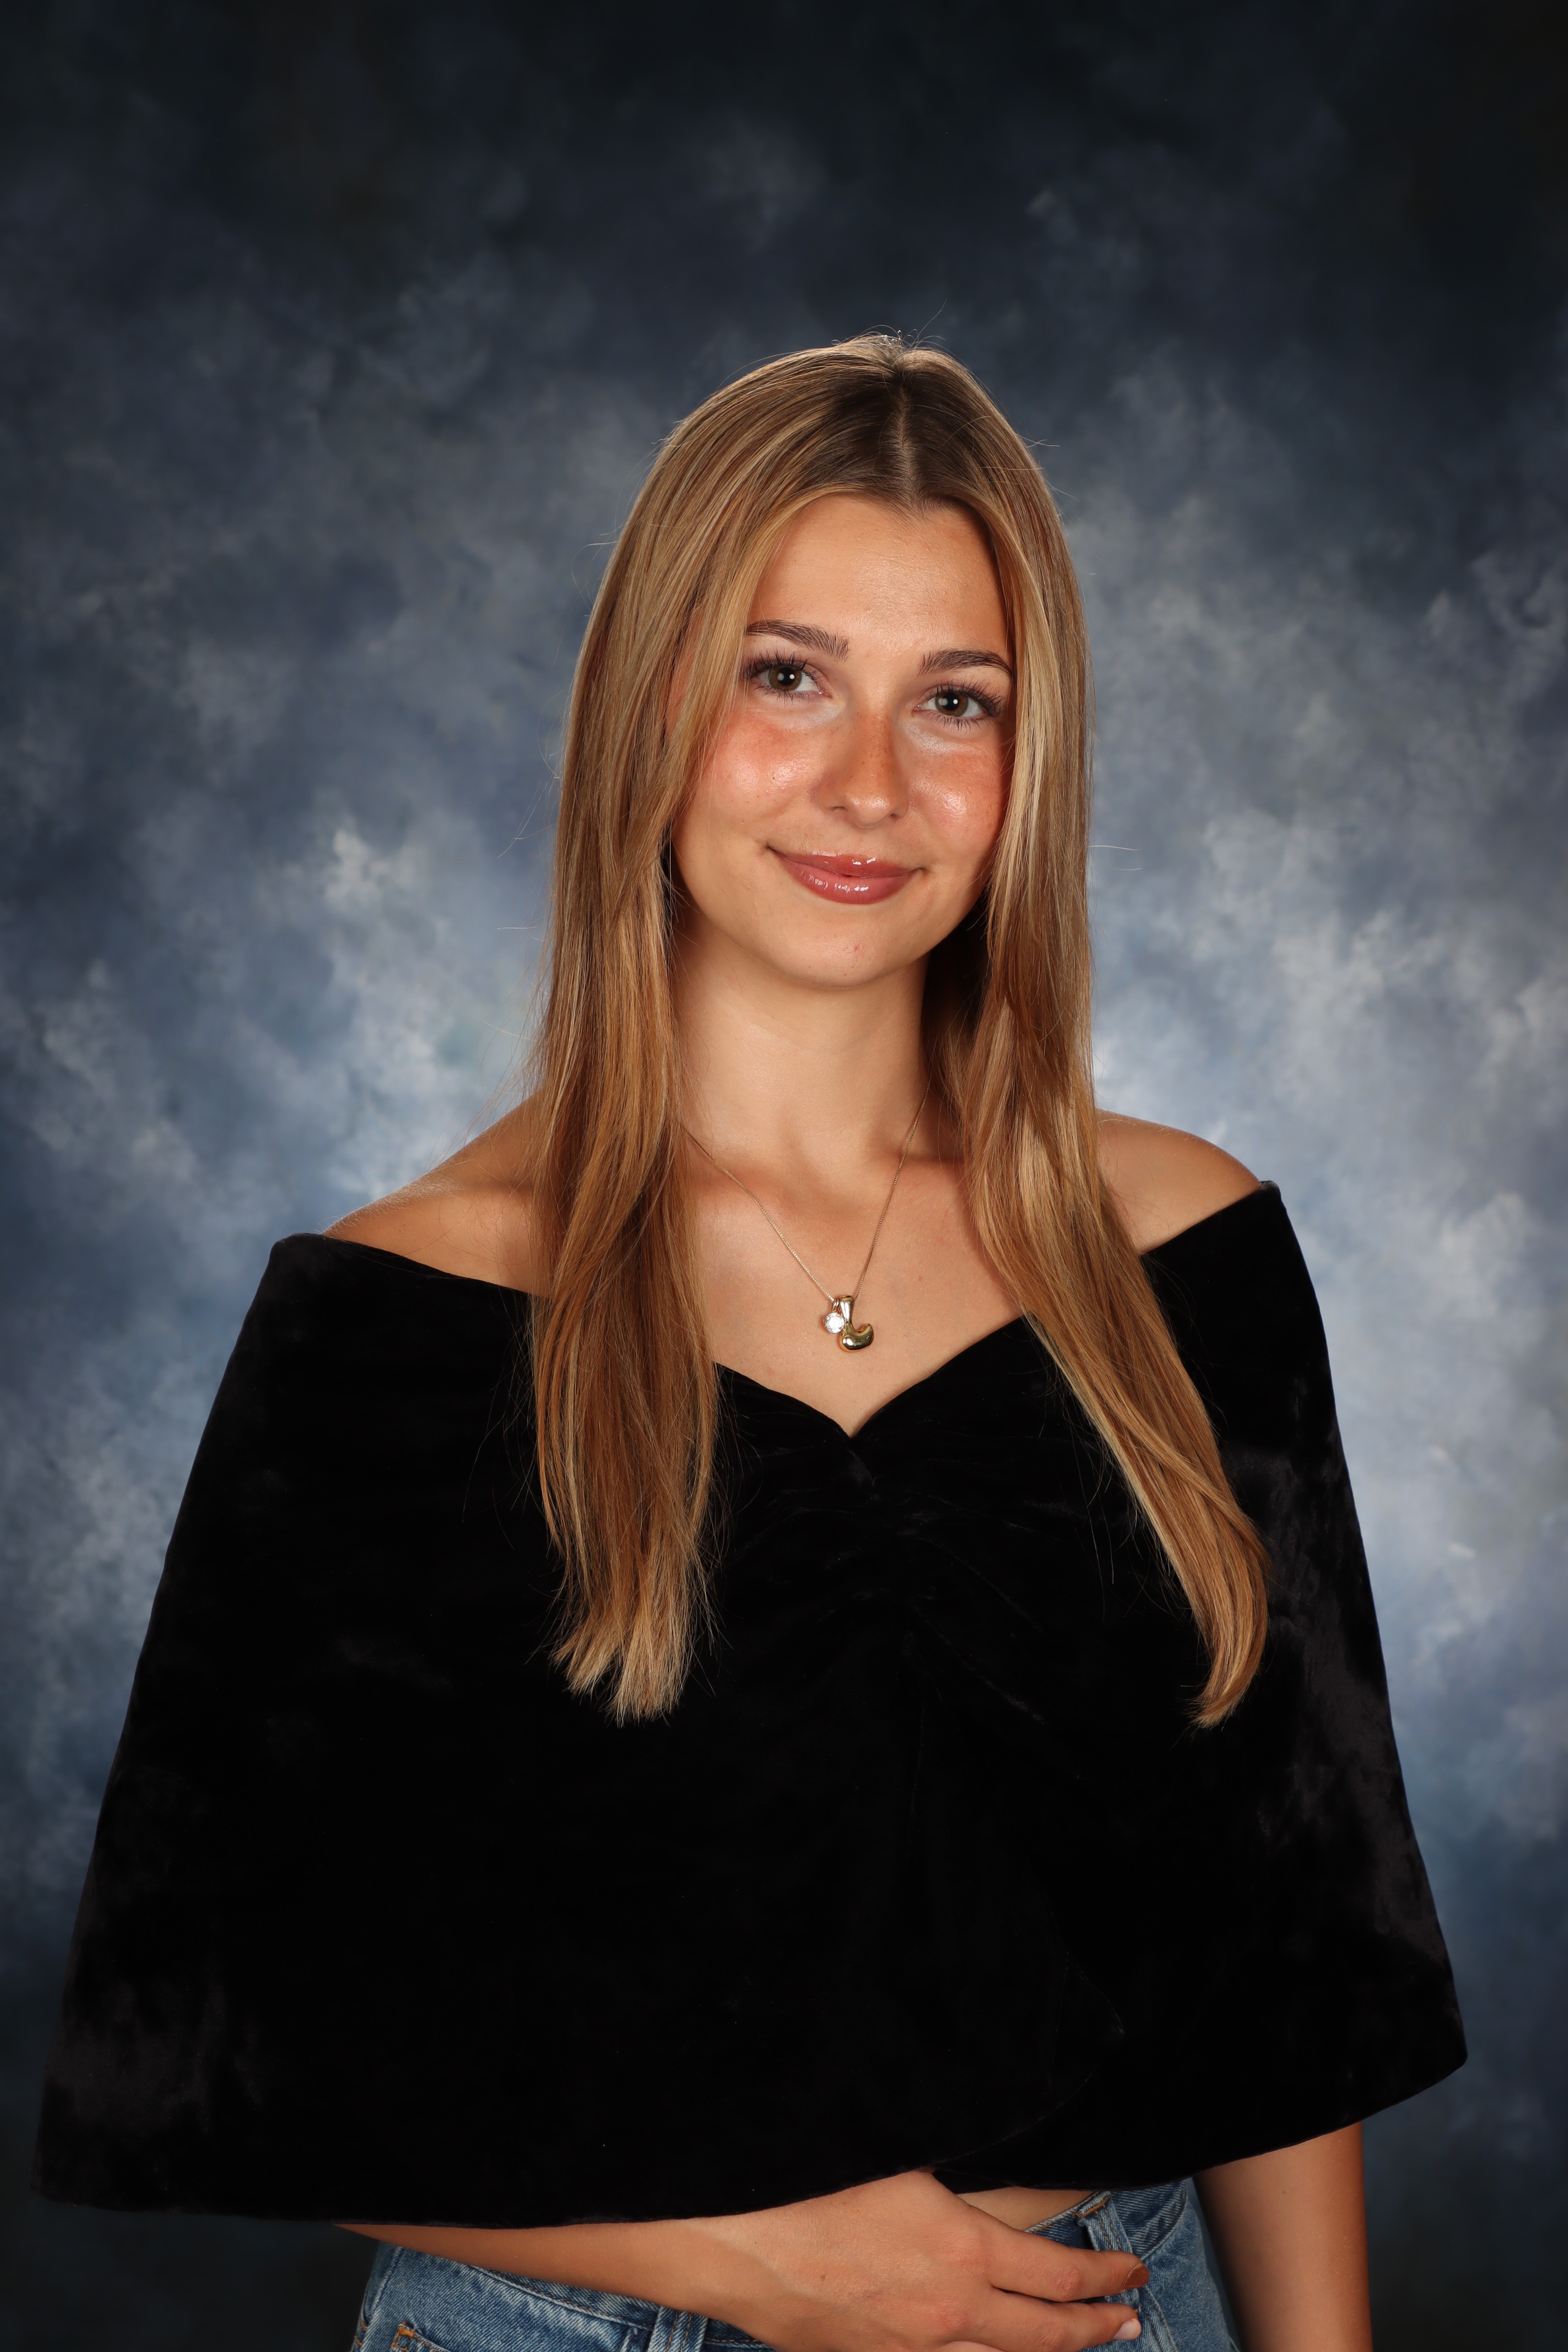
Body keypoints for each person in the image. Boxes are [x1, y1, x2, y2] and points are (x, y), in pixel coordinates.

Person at [31, 338, 1464, 2352]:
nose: (869, 784)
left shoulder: (1182, 1249)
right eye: (786, 676)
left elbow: (1289, 1959)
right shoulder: (403, 1311)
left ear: (1027, 758)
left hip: (1108, 2308)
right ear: (653, 707)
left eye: (952, 700)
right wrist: (741, 2269)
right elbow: (201, 2044)